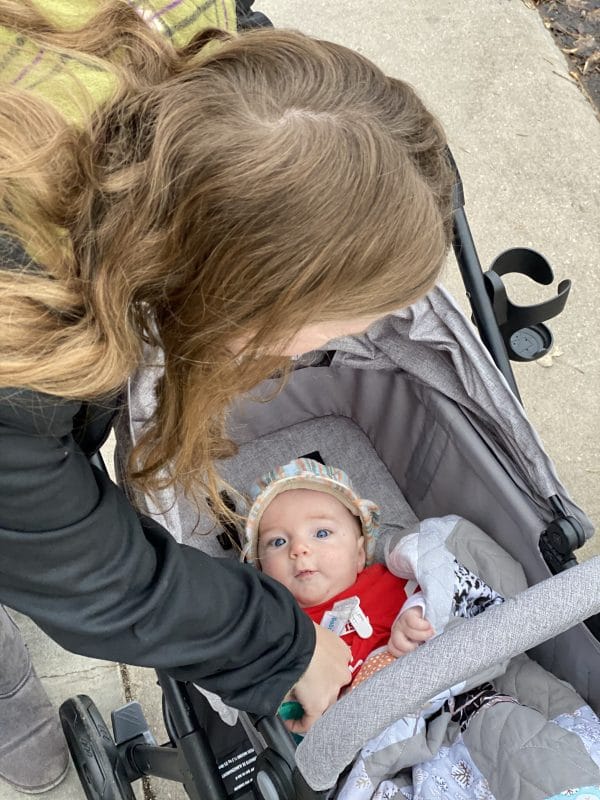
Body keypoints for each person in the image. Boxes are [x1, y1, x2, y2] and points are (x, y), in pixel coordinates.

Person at [0, 1, 455, 792]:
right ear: (229, 292)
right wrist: (282, 646)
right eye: (315, 335)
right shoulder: (19, 344)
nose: (315, 355)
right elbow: (73, 555)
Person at [243, 460, 600, 796]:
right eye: (278, 541)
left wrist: (419, 616)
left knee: (520, 745)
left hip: (463, 697)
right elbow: (291, 708)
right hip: (379, 737)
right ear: (260, 571)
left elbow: (448, 592)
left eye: (321, 532)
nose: (300, 549)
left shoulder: (391, 579)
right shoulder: (283, 632)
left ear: (359, 550)